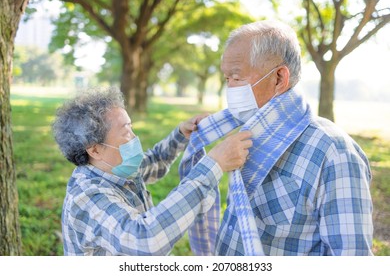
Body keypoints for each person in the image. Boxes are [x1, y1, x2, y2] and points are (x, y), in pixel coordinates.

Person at [184, 20, 373, 256]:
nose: (230, 88)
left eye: (237, 78)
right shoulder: (251, 134)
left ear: (279, 78)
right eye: (226, 79)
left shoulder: (335, 154)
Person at [52, 87, 253, 256]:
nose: (134, 137)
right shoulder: (87, 197)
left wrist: (181, 134)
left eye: (131, 127)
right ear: (95, 149)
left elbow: (155, 160)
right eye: (125, 131)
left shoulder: (113, 168)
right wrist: (214, 165)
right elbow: (145, 240)